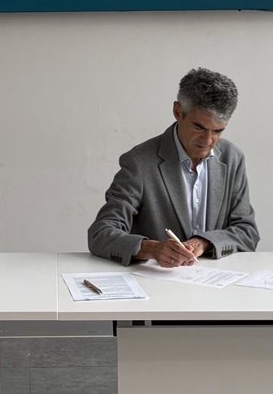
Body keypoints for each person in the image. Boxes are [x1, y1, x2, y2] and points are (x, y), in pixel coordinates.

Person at [87, 67, 259, 266]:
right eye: (199, 127)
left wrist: (204, 242)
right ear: (178, 112)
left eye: (218, 131)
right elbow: (100, 233)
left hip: (215, 279)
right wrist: (152, 249)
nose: (208, 141)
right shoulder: (140, 162)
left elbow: (247, 232)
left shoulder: (232, 159)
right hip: (155, 279)